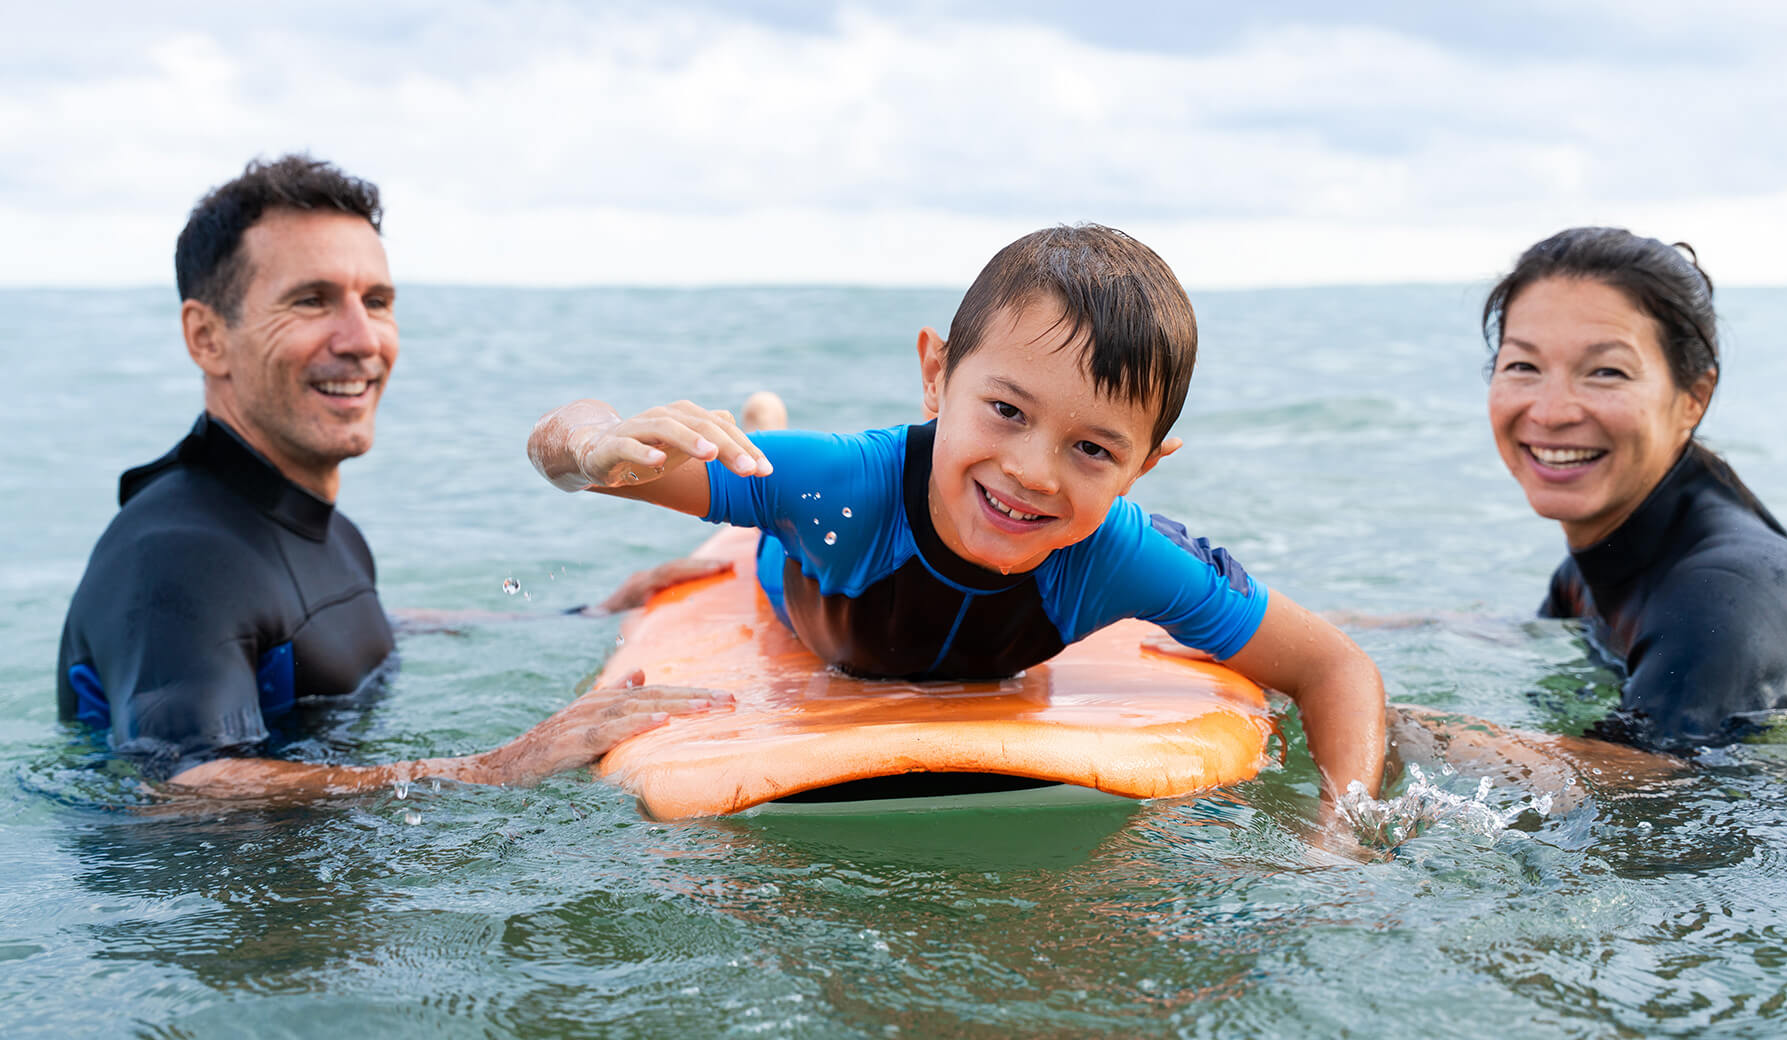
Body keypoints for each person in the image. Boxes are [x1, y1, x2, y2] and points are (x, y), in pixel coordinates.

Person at [526, 224, 1387, 804]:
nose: (1030, 474)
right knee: (755, 495)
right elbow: (560, 448)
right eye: (1006, 410)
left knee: (763, 476)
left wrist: (1339, 843)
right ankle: (764, 436)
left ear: (1144, 468)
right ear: (937, 375)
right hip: (799, 560)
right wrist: (597, 446)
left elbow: (1336, 670)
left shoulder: (1126, 557)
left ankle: (765, 432)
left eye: (1093, 450)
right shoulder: (844, 489)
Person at [56, 154, 729, 797]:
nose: (362, 339)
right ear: (207, 338)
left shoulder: (321, 531)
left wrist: (588, 614)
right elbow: (177, 787)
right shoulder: (176, 554)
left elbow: (347, 625)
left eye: (377, 301)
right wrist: (495, 769)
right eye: (312, 301)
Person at [1482, 226, 1787, 751]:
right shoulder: (1603, 560)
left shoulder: (1721, 597)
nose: (1551, 411)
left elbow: (1636, 787)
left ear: (1693, 398)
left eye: (1606, 372)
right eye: (1523, 366)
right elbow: (1528, 635)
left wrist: (1370, 717)